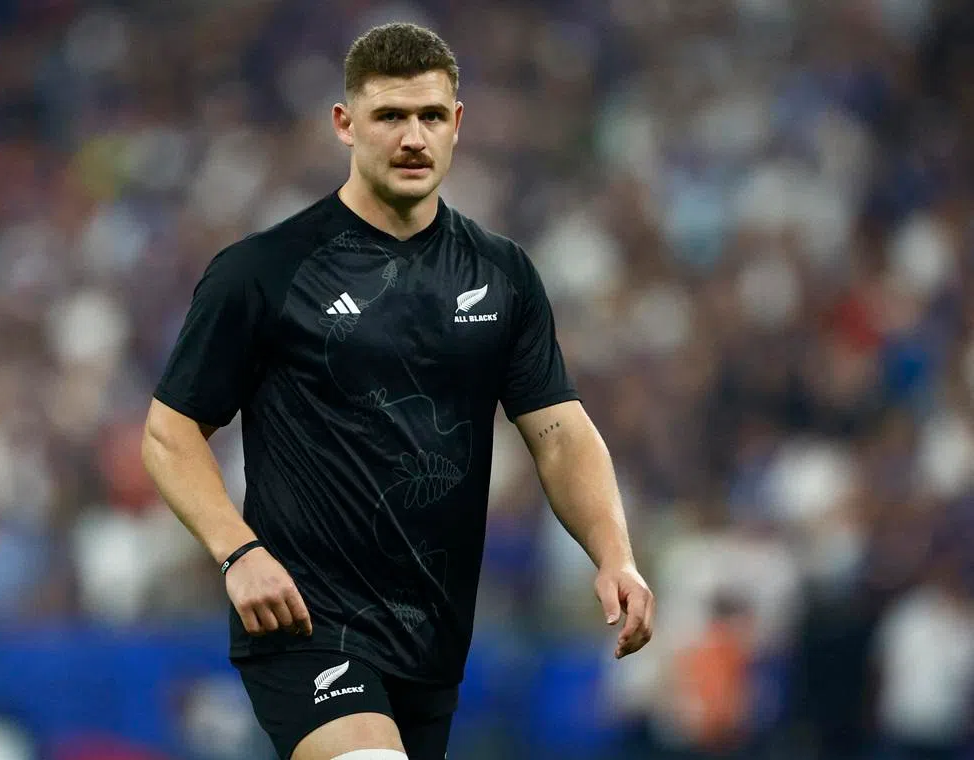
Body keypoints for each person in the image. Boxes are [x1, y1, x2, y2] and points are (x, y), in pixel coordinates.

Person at [142, 22, 654, 760]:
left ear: (457, 124)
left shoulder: (501, 274)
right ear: (345, 125)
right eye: (389, 116)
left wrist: (615, 554)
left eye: (431, 116)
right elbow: (169, 431)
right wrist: (237, 552)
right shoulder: (264, 271)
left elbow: (559, 431)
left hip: (433, 638)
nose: (413, 136)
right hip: (304, 623)